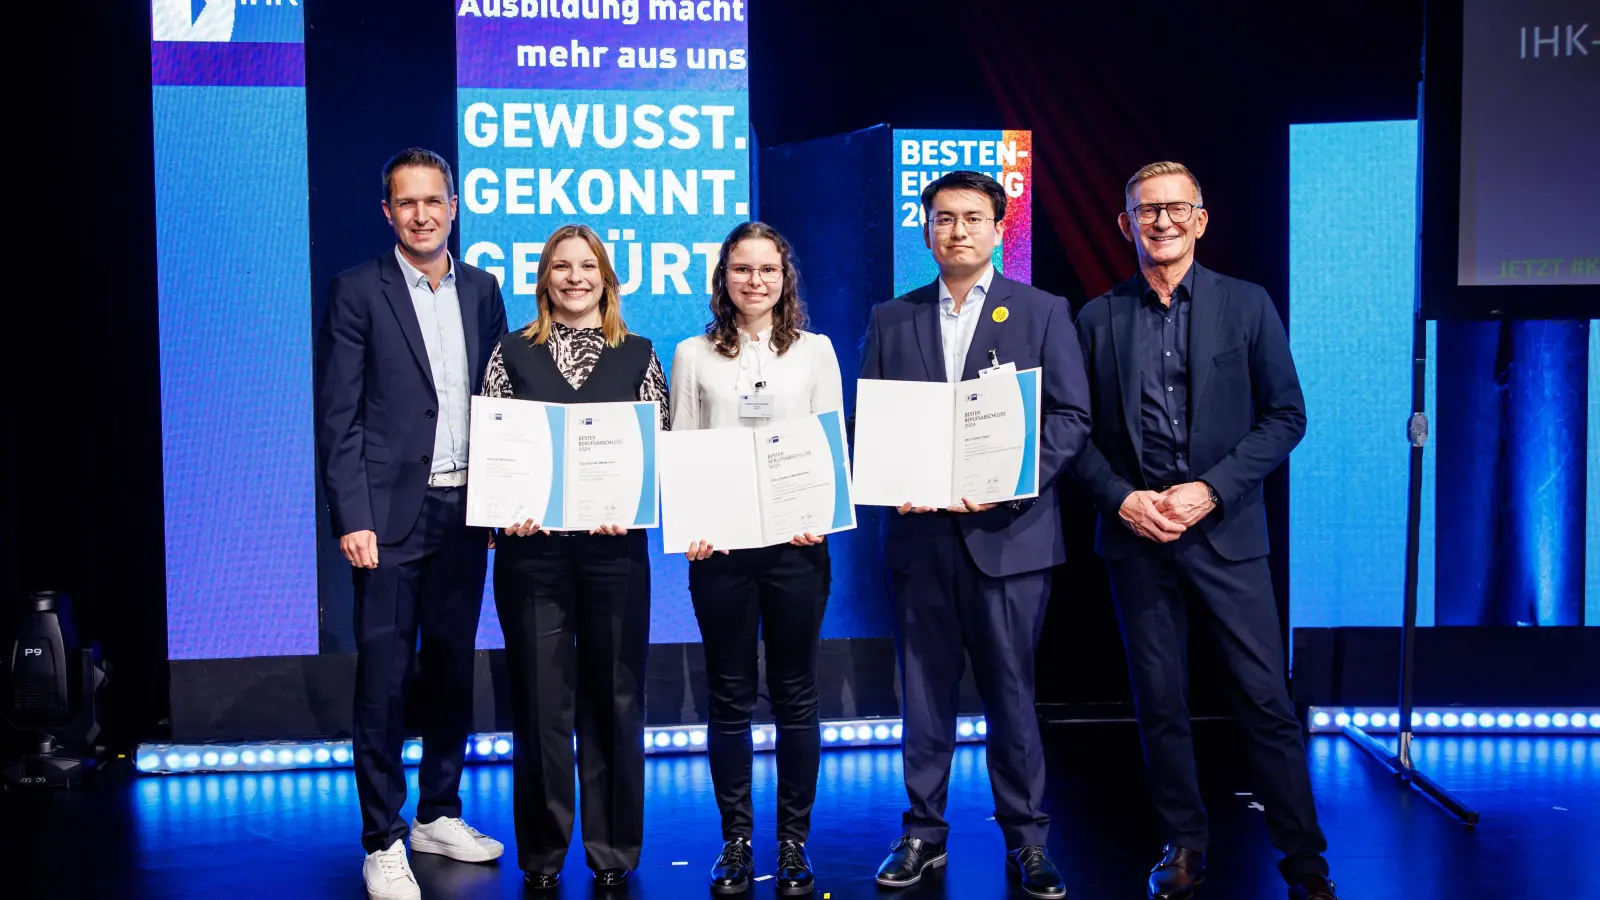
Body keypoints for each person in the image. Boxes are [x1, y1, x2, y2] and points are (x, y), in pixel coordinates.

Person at [1072, 161, 1337, 900]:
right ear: (1126, 224)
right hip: (1136, 538)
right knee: (1160, 704)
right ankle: (1184, 846)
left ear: (1201, 218)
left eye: (1175, 208)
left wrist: (1210, 491)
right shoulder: (1096, 317)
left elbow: (1287, 416)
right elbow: (1073, 433)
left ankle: (1304, 862)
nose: (1161, 221)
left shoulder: (1246, 305)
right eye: (1146, 211)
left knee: (1263, 700)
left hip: (1226, 534)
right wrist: (1122, 499)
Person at [860, 171, 1091, 900]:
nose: (956, 231)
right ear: (924, 230)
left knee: (1013, 696)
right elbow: (874, 426)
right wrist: (889, 475)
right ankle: (922, 834)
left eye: (972, 219)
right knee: (923, 697)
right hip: (920, 542)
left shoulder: (1043, 311)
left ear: (998, 229)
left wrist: (1012, 478)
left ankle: (1027, 840)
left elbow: (1070, 420)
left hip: (1010, 537)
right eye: (942, 219)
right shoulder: (891, 317)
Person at [315, 147, 509, 900]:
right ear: (388, 212)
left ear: (453, 207)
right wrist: (351, 516)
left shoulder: (484, 291)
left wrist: (497, 497)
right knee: (385, 681)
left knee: (452, 669)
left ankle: (438, 811)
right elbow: (340, 416)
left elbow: (500, 404)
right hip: (387, 517)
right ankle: (382, 838)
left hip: (465, 510)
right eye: (408, 203)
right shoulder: (357, 291)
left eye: (435, 201)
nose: (423, 214)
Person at [480, 223, 668, 891]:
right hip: (533, 556)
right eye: (561, 267)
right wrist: (509, 508)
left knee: (616, 699)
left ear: (606, 278)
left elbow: (660, 454)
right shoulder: (509, 355)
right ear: (544, 279)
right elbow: (495, 452)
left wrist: (637, 498)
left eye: (587, 266)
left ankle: (614, 849)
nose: (575, 277)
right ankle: (542, 853)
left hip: (615, 554)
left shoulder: (641, 355)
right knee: (539, 705)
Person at [669, 222, 843, 897]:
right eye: (742, 269)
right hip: (721, 551)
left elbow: (830, 443)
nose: (755, 281)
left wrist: (820, 516)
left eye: (767, 269)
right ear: (724, 278)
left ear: (784, 277)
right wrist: (692, 525)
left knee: (797, 692)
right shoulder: (692, 355)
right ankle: (736, 842)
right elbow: (682, 444)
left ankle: (794, 843)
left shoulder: (816, 351)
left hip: (797, 549)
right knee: (730, 695)